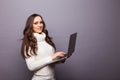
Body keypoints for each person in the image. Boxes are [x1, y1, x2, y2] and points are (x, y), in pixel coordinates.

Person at [21, 13, 65, 80]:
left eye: (41, 22)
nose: (39, 25)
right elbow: (31, 66)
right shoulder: (28, 43)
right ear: (30, 26)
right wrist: (52, 57)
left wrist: (60, 59)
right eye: (36, 23)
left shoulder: (47, 39)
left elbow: (50, 61)